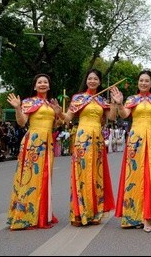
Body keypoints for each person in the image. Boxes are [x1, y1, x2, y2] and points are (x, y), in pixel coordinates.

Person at [111, 70, 151, 233]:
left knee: (150, 175)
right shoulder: (132, 99)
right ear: (138, 82)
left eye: (147, 81)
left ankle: (149, 217)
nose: (144, 83)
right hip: (135, 141)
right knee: (134, 175)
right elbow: (124, 115)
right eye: (141, 80)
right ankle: (133, 215)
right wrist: (118, 103)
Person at [6, 73, 64, 230]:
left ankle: (42, 213)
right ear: (35, 86)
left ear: (49, 86)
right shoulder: (28, 102)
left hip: (48, 143)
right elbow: (22, 121)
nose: (43, 84)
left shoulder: (51, 104)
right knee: (30, 177)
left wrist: (58, 113)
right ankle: (25, 214)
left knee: (45, 177)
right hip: (33, 141)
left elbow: (57, 125)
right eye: (40, 82)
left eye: (45, 82)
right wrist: (18, 107)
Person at [61, 68, 116, 227]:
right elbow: (67, 118)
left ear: (99, 82)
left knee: (96, 174)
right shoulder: (78, 98)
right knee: (81, 173)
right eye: (90, 78)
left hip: (97, 139)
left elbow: (111, 118)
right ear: (86, 80)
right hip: (82, 138)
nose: (92, 81)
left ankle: (94, 212)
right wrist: (59, 112)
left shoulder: (102, 101)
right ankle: (79, 213)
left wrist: (114, 102)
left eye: (95, 79)